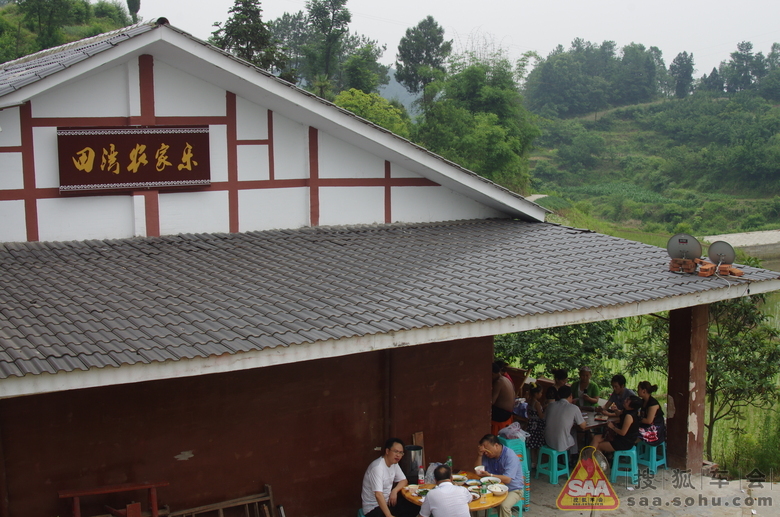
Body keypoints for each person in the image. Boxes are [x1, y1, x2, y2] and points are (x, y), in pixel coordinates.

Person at [362, 438, 417, 517]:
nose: (398, 455)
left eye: (401, 453)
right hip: (373, 507)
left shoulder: (394, 464)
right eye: (395, 451)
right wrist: (388, 515)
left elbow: (404, 481)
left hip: (388, 502)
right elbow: (378, 495)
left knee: (413, 507)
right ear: (387, 451)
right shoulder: (377, 468)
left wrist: (394, 491)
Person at [474, 434, 524, 517]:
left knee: (504, 505)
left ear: (496, 446)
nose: (485, 452)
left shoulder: (510, 456)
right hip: (493, 487)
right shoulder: (487, 454)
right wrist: (480, 455)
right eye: (484, 450)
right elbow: (478, 472)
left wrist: (490, 475)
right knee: (474, 497)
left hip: (513, 489)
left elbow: (507, 479)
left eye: (487, 449)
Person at [544, 385, 587, 459]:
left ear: (558, 395)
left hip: (548, 441)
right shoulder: (574, 408)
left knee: (565, 432)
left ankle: (565, 458)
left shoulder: (550, 405)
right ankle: (573, 456)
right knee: (573, 431)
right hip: (560, 444)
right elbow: (583, 426)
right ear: (571, 395)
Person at [637, 381, 667, 446]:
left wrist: (636, 419)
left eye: (638, 389)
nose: (637, 391)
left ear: (644, 391)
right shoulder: (643, 401)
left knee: (635, 432)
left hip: (655, 429)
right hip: (647, 426)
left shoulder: (653, 404)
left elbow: (648, 421)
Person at [524, 383, 546, 469]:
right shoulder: (537, 403)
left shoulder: (529, 401)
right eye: (540, 393)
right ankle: (538, 463)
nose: (541, 394)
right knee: (538, 445)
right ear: (536, 394)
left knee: (532, 446)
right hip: (537, 426)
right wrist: (545, 410)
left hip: (530, 424)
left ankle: (533, 462)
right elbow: (541, 416)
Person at [491, 361, 515, 435]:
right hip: (507, 412)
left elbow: (491, 402)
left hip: (502, 413)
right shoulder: (505, 379)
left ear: (492, 374)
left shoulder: (498, 382)